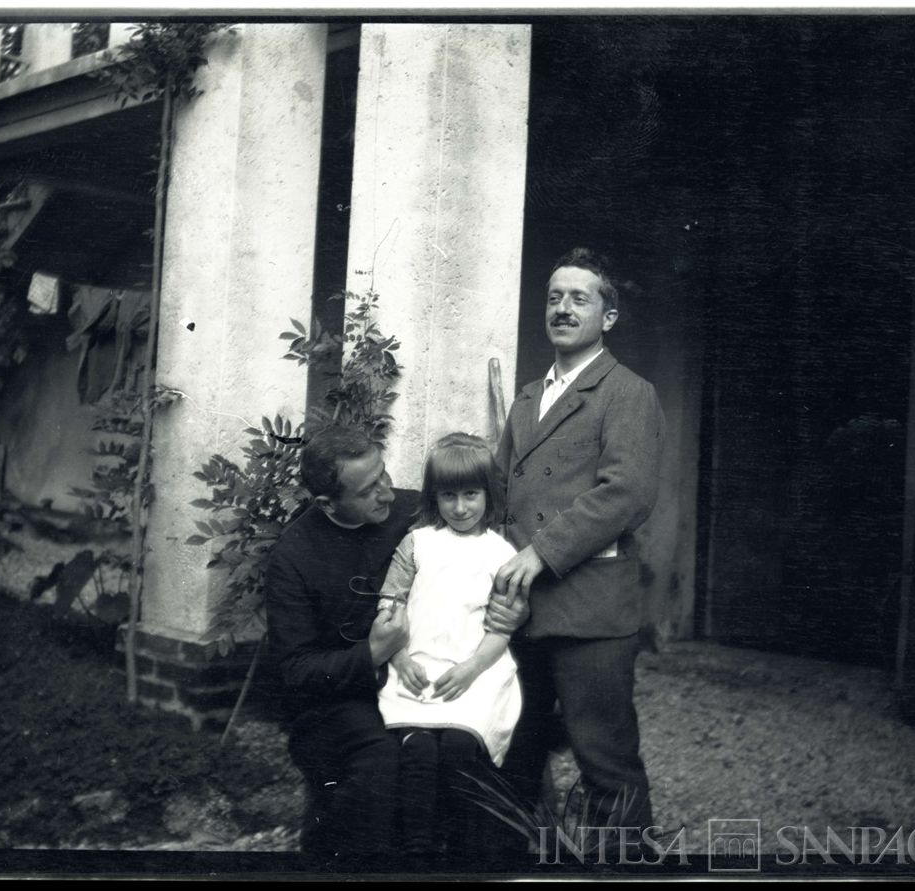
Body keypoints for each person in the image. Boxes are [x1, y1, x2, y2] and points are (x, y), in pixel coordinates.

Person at [493, 247, 665, 834]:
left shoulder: (628, 393)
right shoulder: (524, 396)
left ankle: (628, 868)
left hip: (590, 609)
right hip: (523, 610)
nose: (562, 309)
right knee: (518, 747)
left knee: (605, 759)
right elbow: (500, 494)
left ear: (607, 317)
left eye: (579, 298)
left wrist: (541, 550)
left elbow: (628, 494)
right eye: (554, 297)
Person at [264, 426, 416, 860]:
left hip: (415, 684)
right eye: (370, 490)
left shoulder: (414, 509)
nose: (387, 494)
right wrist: (372, 653)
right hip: (336, 706)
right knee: (382, 760)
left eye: (384, 476)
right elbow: (295, 671)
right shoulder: (292, 557)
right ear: (327, 504)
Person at [374, 433, 522, 859]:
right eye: (449, 495)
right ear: (433, 496)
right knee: (417, 750)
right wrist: (399, 658)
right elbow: (390, 607)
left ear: (487, 494)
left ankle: (460, 848)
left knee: (459, 748)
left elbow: (500, 631)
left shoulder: (501, 553)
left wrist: (472, 669)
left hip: (476, 670)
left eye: (471, 495)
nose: (460, 508)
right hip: (417, 665)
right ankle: (418, 850)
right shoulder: (417, 543)